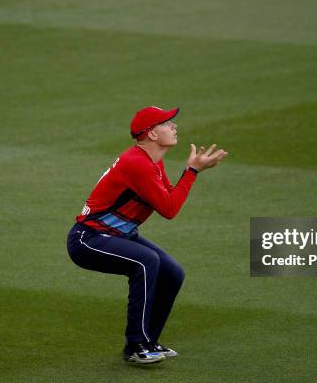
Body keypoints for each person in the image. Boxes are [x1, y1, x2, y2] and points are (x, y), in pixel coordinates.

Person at [66, 106, 228, 364]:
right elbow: (169, 209)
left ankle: (149, 340)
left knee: (172, 272)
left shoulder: (152, 162)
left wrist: (190, 173)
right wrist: (192, 172)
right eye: (167, 123)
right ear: (152, 134)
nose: (174, 126)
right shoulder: (137, 163)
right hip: (88, 239)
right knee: (146, 262)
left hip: (118, 235)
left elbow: (168, 197)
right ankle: (136, 345)